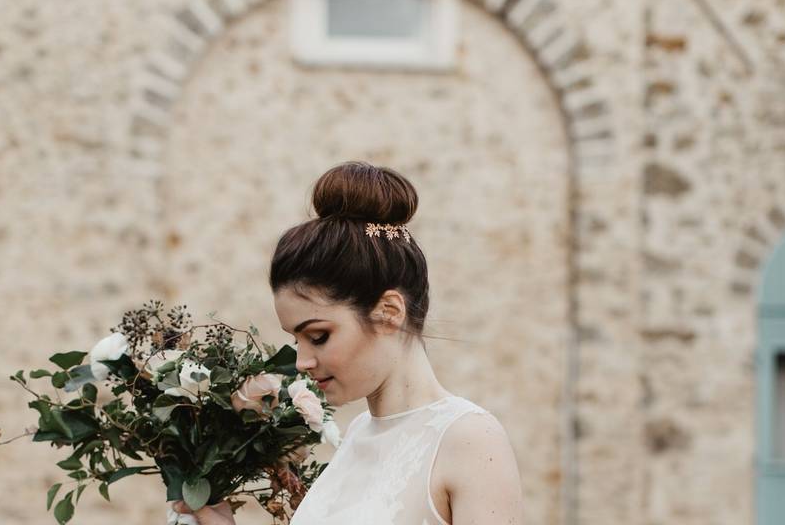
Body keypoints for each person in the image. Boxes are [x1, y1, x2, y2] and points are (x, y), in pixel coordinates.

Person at [173, 161, 524, 524]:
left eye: (318, 336)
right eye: (296, 340)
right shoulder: (358, 434)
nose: (301, 361)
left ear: (389, 312)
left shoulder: (471, 439)